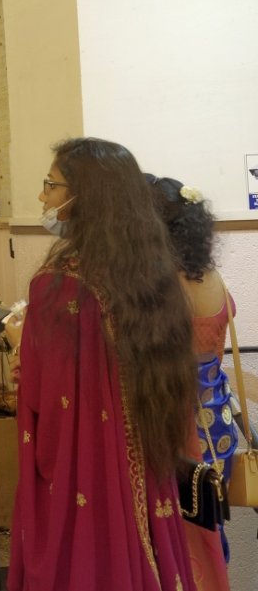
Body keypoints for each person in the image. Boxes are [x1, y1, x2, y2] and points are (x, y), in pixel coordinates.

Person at [8, 138, 196, 590]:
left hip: (85, 458)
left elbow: (44, 397)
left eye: (51, 186)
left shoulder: (62, 283)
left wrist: (20, 345)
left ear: (84, 196)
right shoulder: (151, 271)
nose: (43, 198)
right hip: (147, 455)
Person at [151, 176, 232, 588]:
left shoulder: (168, 285)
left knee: (185, 527)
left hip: (184, 419)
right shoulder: (213, 276)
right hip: (217, 415)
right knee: (210, 522)